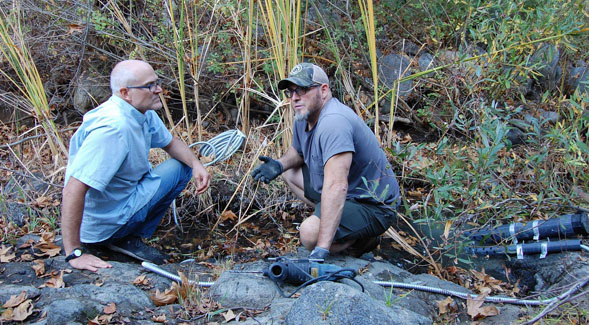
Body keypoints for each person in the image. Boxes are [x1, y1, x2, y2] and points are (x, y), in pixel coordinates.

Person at [61, 60, 210, 271]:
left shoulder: (142, 111)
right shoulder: (113, 129)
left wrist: (196, 164)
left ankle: (125, 235)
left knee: (182, 167)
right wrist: (74, 253)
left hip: (122, 201)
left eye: (157, 82)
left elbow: (170, 143)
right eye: (150, 86)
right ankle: (117, 238)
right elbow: (73, 188)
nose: (158, 89)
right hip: (103, 223)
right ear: (125, 92)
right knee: (178, 169)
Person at [252, 63, 401, 260]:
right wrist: (279, 165)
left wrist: (321, 249)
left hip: (374, 205)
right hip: (348, 193)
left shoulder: (334, 122)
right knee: (289, 171)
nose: (295, 97)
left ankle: (361, 240)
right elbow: (298, 151)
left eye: (303, 90)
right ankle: (338, 223)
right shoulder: (304, 116)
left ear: (323, 90)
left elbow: (337, 185)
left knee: (309, 234)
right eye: (291, 92)